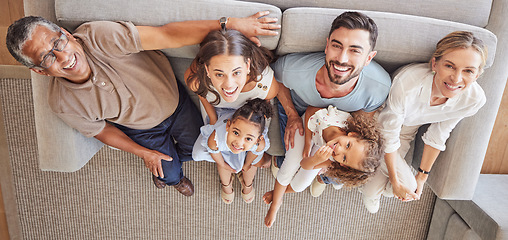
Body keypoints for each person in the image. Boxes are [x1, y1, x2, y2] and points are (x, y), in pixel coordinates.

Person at [6, 12, 280, 196]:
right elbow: (102, 131)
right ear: (40, 71)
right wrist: (143, 153)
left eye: (58, 43)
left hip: (176, 103)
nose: (64, 57)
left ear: (66, 34)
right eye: (47, 58)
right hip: (141, 130)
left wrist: (228, 25)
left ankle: (170, 159)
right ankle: (170, 179)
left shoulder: (99, 36)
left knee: (196, 150)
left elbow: (167, 35)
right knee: (170, 172)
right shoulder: (62, 102)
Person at [360, 31, 488, 213]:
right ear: (435, 64)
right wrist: (396, 181)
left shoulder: (474, 100)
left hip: (406, 133)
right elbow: (388, 133)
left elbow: (440, 133)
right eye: (450, 66)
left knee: (408, 188)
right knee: (375, 190)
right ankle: (365, 177)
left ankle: (369, 175)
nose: (457, 79)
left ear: (477, 75)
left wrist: (422, 176)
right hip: (380, 124)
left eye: (468, 71)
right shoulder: (409, 83)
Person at [269, 11, 391, 200]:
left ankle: (325, 179)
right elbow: (275, 79)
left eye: (355, 50)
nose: (342, 59)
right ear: (327, 46)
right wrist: (292, 114)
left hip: (337, 130)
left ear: (369, 58)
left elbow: (362, 124)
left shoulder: (379, 87)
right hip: (300, 113)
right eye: (337, 46)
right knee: (293, 157)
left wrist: (335, 155)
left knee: (342, 173)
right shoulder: (292, 69)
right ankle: (281, 162)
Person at [263, 105, 383, 227]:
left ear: (343, 165)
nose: (340, 150)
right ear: (352, 135)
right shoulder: (334, 120)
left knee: (301, 185)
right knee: (289, 166)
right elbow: (310, 111)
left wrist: (316, 160)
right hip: (310, 127)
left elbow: (305, 165)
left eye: (344, 158)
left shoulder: (334, 159)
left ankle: (280, 192)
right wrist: (307, 143)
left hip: (319, 145)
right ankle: (276, 204)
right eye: (347, 145)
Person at [185, 28, 280, 167]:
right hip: (217, 110)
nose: (229, 86)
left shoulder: (265, 85)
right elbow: (201, 93)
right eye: (219, 74)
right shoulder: (195, 79)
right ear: (207, 70)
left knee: (256, 159)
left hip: (252, 114)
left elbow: (266, 104)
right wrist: (213, 118)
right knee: (203, 151)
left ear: (247, 66)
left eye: (236, 73)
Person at [192, 98, 273, 204]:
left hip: (248, 146)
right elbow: (215, 153)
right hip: (224, 139)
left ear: (258, 139)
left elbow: (254, 153)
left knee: (252, 162)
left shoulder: (259, 143)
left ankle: (247, 183)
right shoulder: (216, 138)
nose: (238, 142)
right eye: (236, 133)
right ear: (228, 126)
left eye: (248, 138)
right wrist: (224, 165)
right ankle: (226, 184)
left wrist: (247, 164)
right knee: (223, 160)